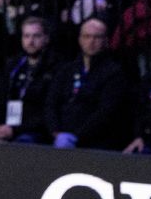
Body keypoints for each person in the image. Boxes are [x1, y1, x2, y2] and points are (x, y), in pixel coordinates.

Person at [45, 16, 127, 149]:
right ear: (80, 39)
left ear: (106, 41)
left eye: (97, 37)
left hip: (95, 142)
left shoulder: (114, 73)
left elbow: (105, 112)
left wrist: (76, 137)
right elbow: (51, 103)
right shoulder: (66, 70)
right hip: (60, 138)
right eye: (87, 36)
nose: (91, 41)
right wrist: (55, 132)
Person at [0, 14, 58, 144]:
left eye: (36, 36)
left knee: (23, 141)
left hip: (35, 131)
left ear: (46, 38)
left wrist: (14, 130)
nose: (30, 41)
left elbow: (48, 110)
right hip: (8, 126)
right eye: (26, 36)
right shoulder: (13, 65)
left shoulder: (55, 67)